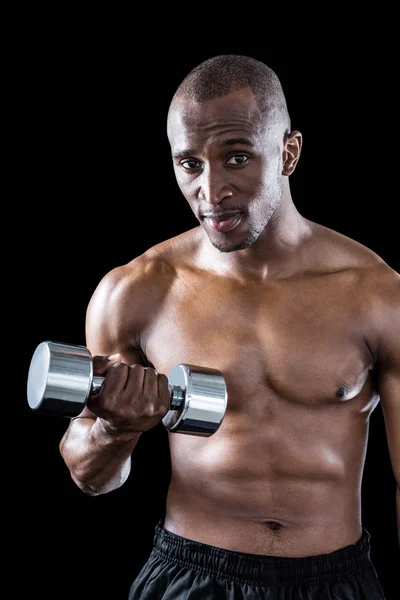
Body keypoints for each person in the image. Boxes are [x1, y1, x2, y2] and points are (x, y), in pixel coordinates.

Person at [58, 54, 398, 599]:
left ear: (289, 152)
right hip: (191, 576)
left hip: (336, 581)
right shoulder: (136, 292)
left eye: (236, 157)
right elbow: (90, 475)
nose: (211, 191)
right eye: (189, 164)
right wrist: (115, 430)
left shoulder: (376, 294)